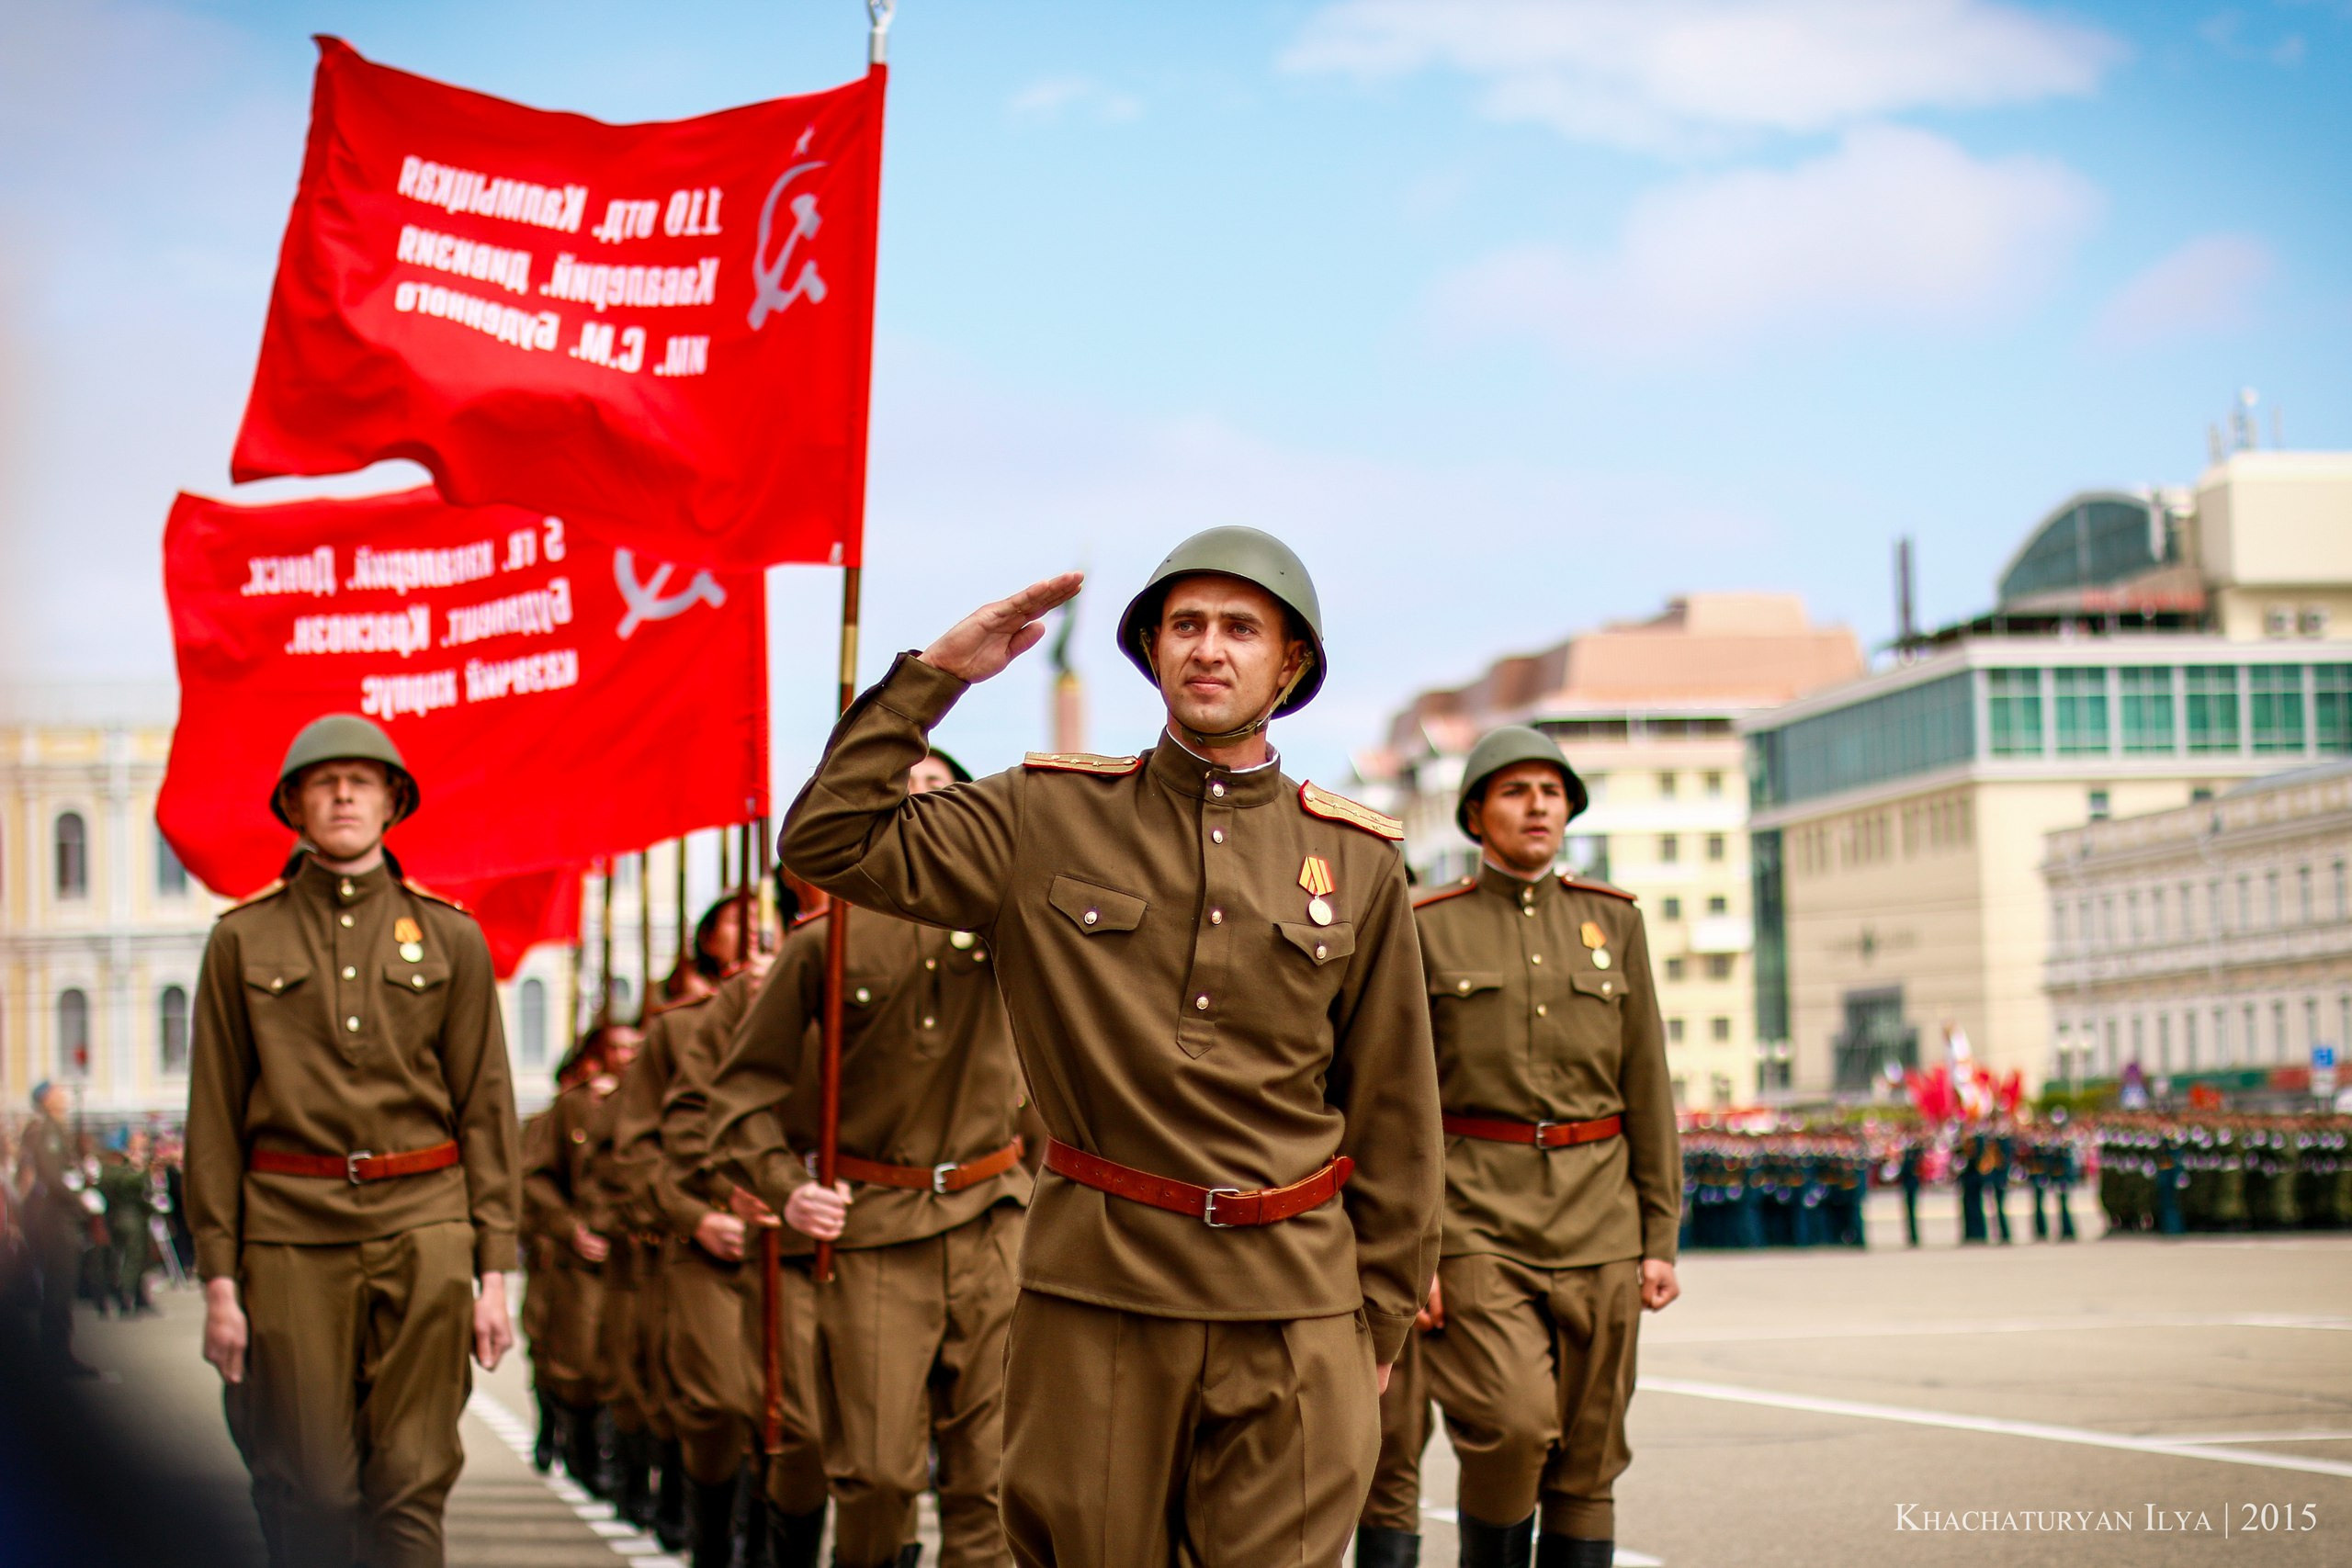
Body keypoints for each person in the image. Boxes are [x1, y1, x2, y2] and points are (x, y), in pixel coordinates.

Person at [776, 532, 1443, 1565]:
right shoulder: (1045, 811)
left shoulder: (1353, 858)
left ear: (1290, 664)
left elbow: (1396, 1107)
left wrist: (1379, 1325)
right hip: (1101, 1298)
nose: (1207, 649)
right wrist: (937, 678)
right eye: (1184, 626)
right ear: (1153, 652)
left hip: (1298, 1302)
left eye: (1238, 628)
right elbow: (827, 843)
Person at [185, 714, 520, 1568]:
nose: (342, 793)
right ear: (293, 804)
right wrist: (220, 1278)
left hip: (427, 1225)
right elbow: (214, 1119)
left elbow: (484, 1106)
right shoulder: (240, 939)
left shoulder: (450, 936)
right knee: (314, 1486)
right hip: (290, 1231)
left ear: (392, 800)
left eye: (362, 779)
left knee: (412, 1477)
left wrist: (495, 1271)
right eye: (323, 781)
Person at [1366, 727, 1679, 1568]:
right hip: (1476, 1219)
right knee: (1510, 1426)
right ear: (1475, 813)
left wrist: (1659, 1236)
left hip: (1603, 1220)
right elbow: (1398, 1100)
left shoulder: (1614, 920)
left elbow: (1647, 1083)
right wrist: (1411, 1250)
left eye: (1551, 790)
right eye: (1514, 789)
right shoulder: (1427, 923)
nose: (1537, 803)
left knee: (1589, 1452)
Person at [712, 748, 1030, 1568]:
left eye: (942, 790)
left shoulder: (1015, 923)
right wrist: (789, 1190)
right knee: (878, 1476)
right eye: (906, 789)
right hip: (875, 1228)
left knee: (992, 1480)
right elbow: (737, 1099)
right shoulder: (826, 939)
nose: (924, 804)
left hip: (994, 1217)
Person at [611, 887, 813, 1568]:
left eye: (761, 922)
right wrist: (699, 1214)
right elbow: (642, 1150)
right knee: (720, 1406)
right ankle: (710, 1544)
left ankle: (764, 1547)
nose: (749, 934)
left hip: (801, 1245)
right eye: (732, 925)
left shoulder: (827, 1001)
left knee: (793, 1421)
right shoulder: (678, 1029)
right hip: (713, 1247)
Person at [524, 1023, 639, 1498]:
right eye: (616, 1047)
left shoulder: (653, 1102)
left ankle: (620, 1464)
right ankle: (581, 1450)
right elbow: (536, 1177)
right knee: (580, 1359)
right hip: (581, 1255)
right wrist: (570, 1227)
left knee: (630, 1367)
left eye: (636, 1047)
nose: (626, 1056)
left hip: (638, 1251)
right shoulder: (573, 1107)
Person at [15, 1081, 97, 1375]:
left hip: (63, 1215)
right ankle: (55, 1356)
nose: (63, 1094)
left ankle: (59, 1352)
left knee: (64, 1284)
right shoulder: (46, 1130)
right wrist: (81, 1200)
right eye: (57, 1091)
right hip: (56, 1216)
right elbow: (53, 1176)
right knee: (59, 1286)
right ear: (46, 1100)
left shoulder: (57, 1128)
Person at [96, 1125, 159, 1315]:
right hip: (127, 1217)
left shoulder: (138, 1166)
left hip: (133, 1217)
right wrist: (136, 1169)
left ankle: (136, 1297)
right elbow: (116, 1185)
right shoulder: (122, 1166)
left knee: (137, 1258)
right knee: (131, 1259)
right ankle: (125, 1296)